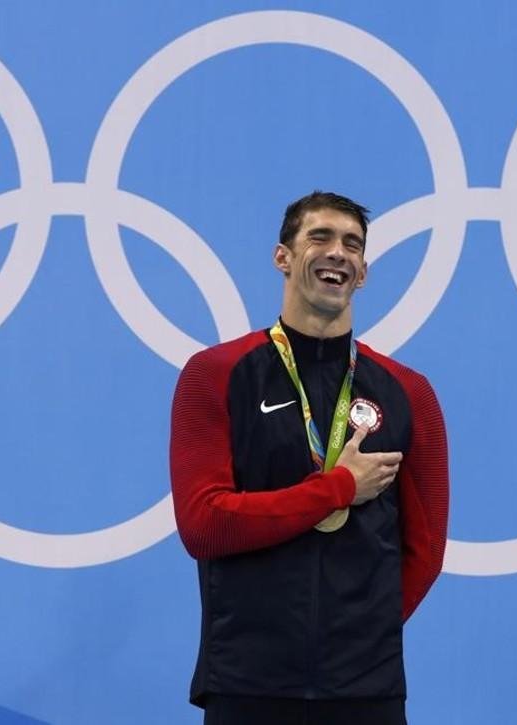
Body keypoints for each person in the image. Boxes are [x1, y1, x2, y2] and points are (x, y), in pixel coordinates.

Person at [170, 191, 449, 725]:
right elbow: (204, 524)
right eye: (319, 237)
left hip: (366, 690)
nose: (337, 252)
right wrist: (338, 487)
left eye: (351, 244)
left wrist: (363, 634)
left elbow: (426, 549)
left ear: (363, 273)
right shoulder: (215, 374)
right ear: (283, 257)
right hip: (247, 682)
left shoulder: (408, 393)